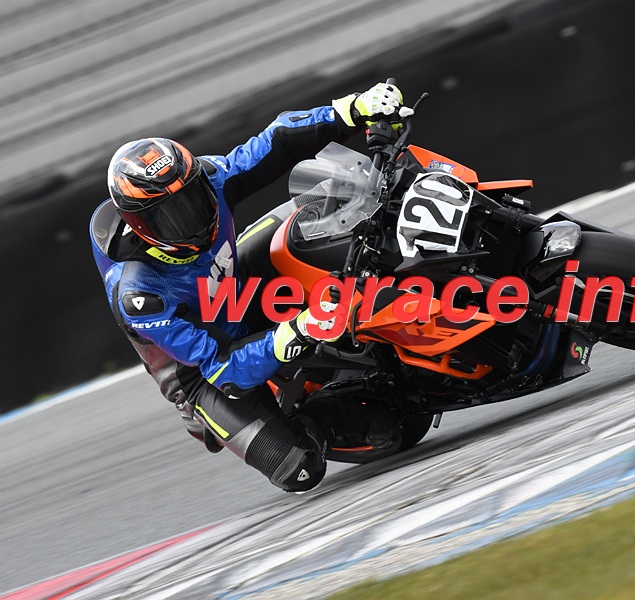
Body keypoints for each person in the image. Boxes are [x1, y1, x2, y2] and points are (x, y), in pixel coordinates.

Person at [89, 82, 405, 492]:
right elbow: (219, 363)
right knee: (300, 468)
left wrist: (349, 110)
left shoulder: (209, 179)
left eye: (192, 199)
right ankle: (326, 414)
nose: (192, 218)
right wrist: (296, 333)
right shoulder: (141, 294)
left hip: (235, 286)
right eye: (171, 217)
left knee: (330, 202)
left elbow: (275, 142)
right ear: (140, 226)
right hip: (203, 370)